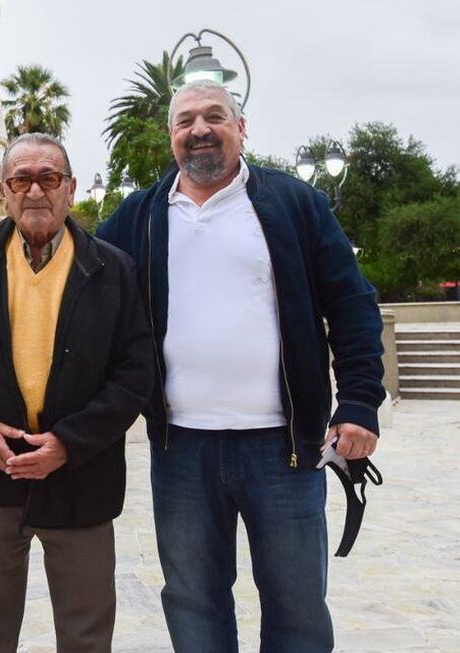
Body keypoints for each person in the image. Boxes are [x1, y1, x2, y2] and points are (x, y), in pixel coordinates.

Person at [96, 79, 385, 652]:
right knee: (193, 600)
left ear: (240, 127)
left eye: (214, 117)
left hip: (285, 449)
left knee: (297, 606)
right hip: (181, 450)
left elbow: (352, 304)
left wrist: (358, 402)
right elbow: (77, 276)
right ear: (171, 136)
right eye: (185, 121)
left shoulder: (295, 203)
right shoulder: (142, 215)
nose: (199, 129)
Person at [0, 132, 154, 652]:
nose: (35, 191)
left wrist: (68, 444)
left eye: (48, 178)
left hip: (81, 476)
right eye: (21, 179)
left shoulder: (113, 270)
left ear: (70, 188)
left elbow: (136, 374)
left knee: (86, 631)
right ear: (3, 191)